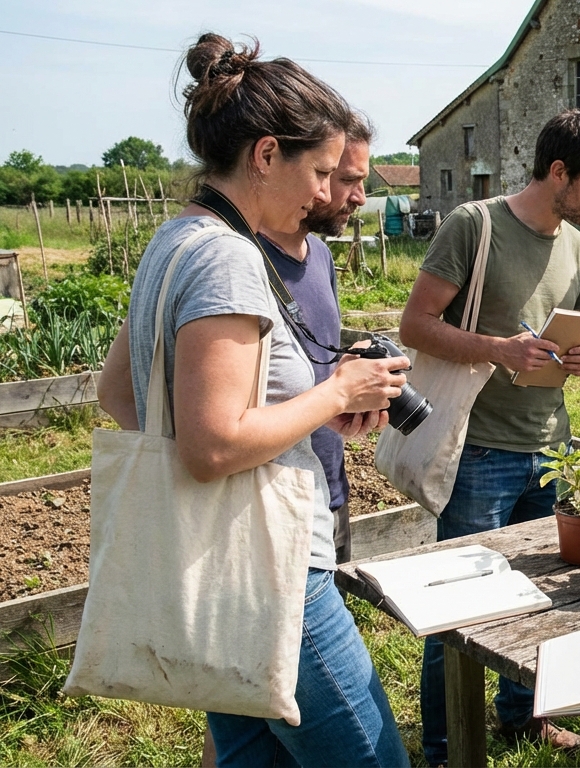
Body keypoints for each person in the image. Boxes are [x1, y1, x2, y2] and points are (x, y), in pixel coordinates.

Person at [95, 33, 410, 767]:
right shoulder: (229, 257)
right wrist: (336, 390)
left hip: (211, 565)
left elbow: (121, 391)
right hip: (272, 571)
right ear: (267, 155)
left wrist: (286, 419)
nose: (326, 194)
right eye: (322, 171)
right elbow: (213, 448)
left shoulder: (175, 238)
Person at [399, 108, 580, 762]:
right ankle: (447, 745)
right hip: (477, 453)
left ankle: (520, 713)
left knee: (541, 598)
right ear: (558, 171)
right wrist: (498, 349)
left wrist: (578, 359)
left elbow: (572, 335)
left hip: (552, 451)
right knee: (461, 609)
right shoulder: (472, 226)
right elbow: (414, 325)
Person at [258, 112, 374, 566]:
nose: (357, 197)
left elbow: (307, 372)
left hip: (327, 484)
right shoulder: (240, 260)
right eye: (342, 177)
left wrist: (347, 374)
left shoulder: (321, 254)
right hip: (270, 500)